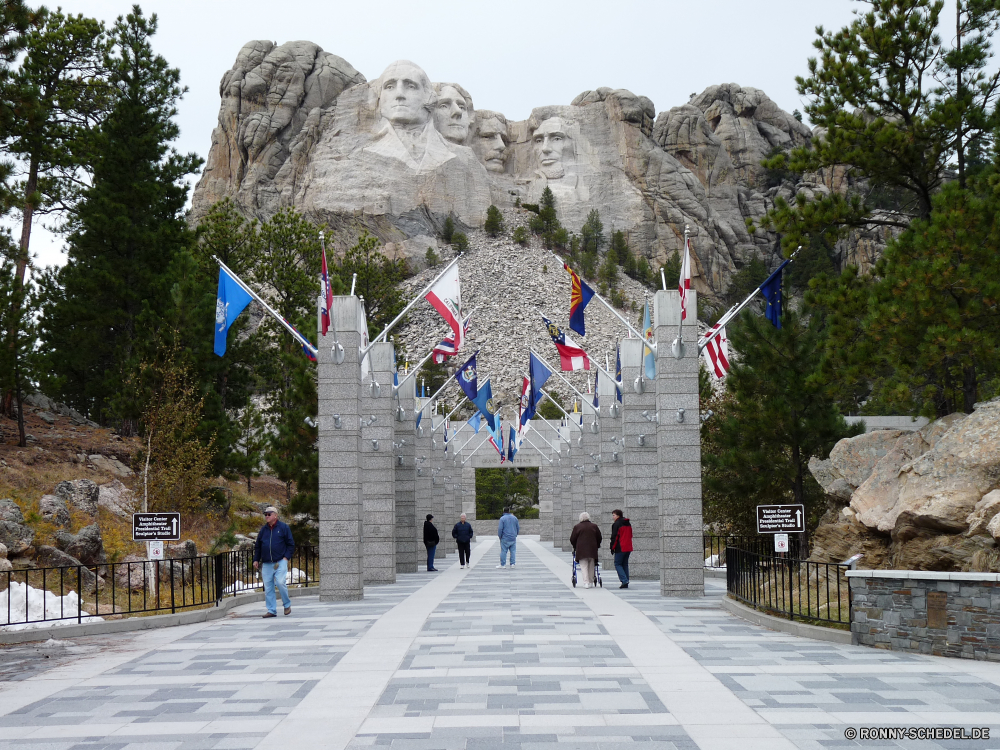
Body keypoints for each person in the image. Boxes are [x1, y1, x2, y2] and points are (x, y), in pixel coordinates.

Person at [253, 506, 295, 618]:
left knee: (280, 582)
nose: (266, 516)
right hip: (266, 563)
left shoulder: (283, 528)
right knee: (268, 587)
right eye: (265, 514)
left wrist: (286, 558)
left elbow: (290, 544)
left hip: (280, 561)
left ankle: (287, 604)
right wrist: (256, 559)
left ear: (275, 515)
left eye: (269, 514)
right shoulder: (263, 530)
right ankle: (271, 610)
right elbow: (258, 546)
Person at [570, 511, 602, 589]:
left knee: (583, 566)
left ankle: (586, 582)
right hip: (592, 550)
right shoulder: (594, 526)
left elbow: (572, 539)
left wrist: (575, 546)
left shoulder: (577, 527)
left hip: (581, 550)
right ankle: (591, 581)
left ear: (580, 518)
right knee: (591, 566)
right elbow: (599, 537)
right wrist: (597, 545)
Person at [610, 509, 633, 589]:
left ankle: (624, 580)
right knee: (625, 564)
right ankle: (626, 581)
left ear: (618, 515)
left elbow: (615, 537)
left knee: (617, 563)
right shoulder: (628, 523)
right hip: (628, 546)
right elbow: (630, 534)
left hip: (620, 547)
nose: (613, 517)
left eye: (614, 515)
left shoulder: (616, 524)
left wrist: (612, 547)